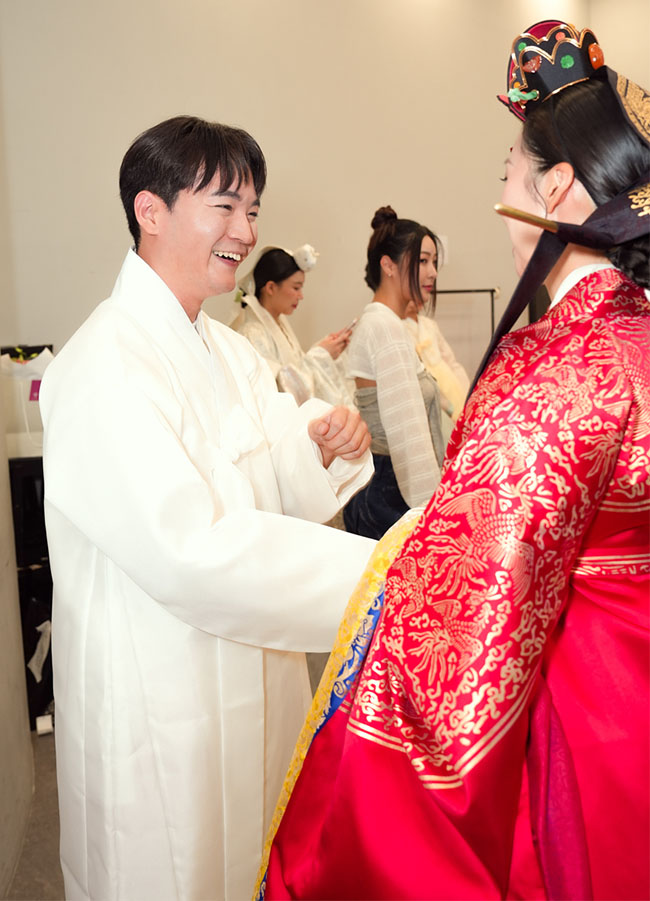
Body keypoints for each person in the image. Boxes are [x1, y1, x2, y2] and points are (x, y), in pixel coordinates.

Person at [257, 20, 650, 900]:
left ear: (555, 188)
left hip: (585, 714)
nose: (500, 192)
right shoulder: (634, 337)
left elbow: (469, 637)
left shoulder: (560, 371)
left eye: (508, 170)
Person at [39, 115, 377, 901]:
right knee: (175, 867)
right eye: (224, 206)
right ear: (150, 210)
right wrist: (379, 578)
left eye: (252, 210)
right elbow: (189, 548)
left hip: (255, 673)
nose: (246, 231)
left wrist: (317, 443)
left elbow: (269, 456)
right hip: (163, 696)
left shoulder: (229, 348)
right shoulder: (103, 364)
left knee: (257, 854)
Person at [342, 207, 447, 540]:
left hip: (386, 485)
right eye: (422, 261)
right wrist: (431, 515)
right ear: (387, 265)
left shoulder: (385, 323)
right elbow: (408, 432)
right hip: (391, 492)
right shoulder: (384, 327)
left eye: (434, 262)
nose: (432, 272)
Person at [230, 245, 355, 406]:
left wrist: (325, 351)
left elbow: (296, 368)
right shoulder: (252, 333)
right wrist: (319, 355)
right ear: (271, 288)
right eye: (296, 287)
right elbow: (281, 386)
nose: (300, 296)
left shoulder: (280, 325)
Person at [403, 298, 470, 422]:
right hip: (427, 389)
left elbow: (450, 361)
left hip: (449, 383)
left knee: (461, 417)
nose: (421, 297)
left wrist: (467, 391)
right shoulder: (398, 328)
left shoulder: (429, 324)